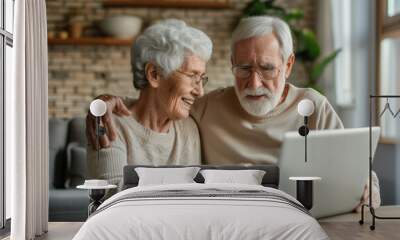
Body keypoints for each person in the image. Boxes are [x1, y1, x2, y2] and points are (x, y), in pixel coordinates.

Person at [87, 16, 380, 209]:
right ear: (231, 65)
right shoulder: (202, 110)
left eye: (267, 68)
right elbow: (152, 107)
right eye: (243, 69)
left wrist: (366, 191)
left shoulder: (313, 107)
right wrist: (102, 106)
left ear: (288, 65)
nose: (254, 83)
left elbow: (360, 174)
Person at [86, 19, 212, 190]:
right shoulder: (111, 123)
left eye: (201, 79)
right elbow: (113, 199)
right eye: (192, 76)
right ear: (154, 75)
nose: (200, 91)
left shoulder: (188, 129)